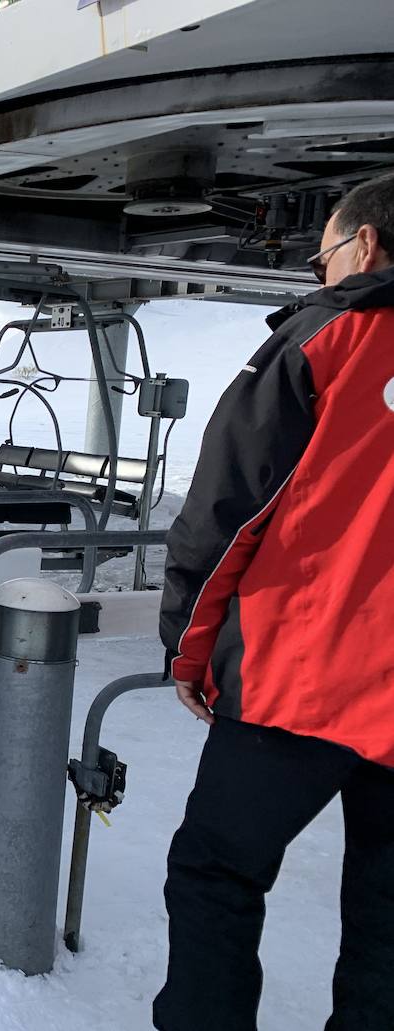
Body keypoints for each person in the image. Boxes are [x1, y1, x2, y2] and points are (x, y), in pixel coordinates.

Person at [155, 171, 394, 1031]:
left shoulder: (326, 340)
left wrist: (187, 646)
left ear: (364, 245)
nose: (320, 271)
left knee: (217, 873)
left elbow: (230, 506)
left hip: (303, 679)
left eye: (324, 252)